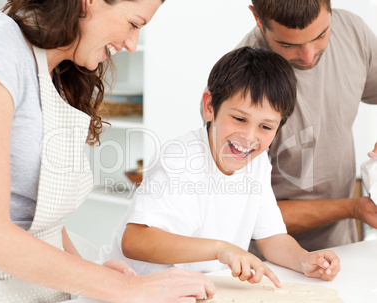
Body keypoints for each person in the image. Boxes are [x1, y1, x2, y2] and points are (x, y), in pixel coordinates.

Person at [0, 0, 215, 303]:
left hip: (37, 295)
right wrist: (127, 289)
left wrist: (90, 273)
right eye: (134, 23)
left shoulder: (54, 68)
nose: (132, 44)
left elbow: (40, 217)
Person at [99, 47, 341, 287]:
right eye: (239, 119)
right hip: (135, 290)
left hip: (194, 292)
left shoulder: (257, 162)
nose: (249, 137)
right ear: (210, 107)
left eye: (265, 127)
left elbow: (272, 237)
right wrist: (221, 249)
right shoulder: (180, 160)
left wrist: (304, 260)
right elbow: (135, 241)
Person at [208, 0, 377, 255]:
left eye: (321, 35)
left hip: (342, 248)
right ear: (257, 19)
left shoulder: (352, 31)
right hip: (261, 262)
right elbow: (248, 214)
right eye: (287, 44)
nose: (308, 56)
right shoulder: (239, 90)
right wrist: (352, 208)